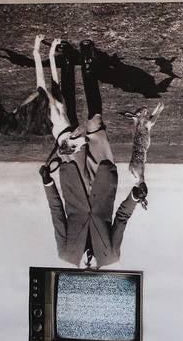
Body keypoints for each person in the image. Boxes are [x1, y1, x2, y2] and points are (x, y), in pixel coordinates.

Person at [37, 37, 147, 268]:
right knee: (94, 120)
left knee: (70, 120)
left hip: (72, 176)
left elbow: (56, 211)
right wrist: (135, 197)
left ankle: (67, 62)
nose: (89, 268)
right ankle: (89, 63)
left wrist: (48, 183)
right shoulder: (111, 255)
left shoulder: (65, 253)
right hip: (103, 174)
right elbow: (121, 218)